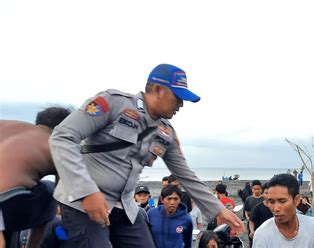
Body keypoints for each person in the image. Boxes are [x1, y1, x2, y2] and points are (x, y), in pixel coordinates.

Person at [49, 64, 243, 247]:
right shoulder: (113, 103)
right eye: (177, 97)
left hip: (125, 207)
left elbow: (186, 175)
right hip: (84, 203)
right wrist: (86, 191)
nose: (181, 104)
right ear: (158, 90)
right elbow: (62, 136)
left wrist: (219, 210)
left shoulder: (166, 133)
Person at [0, 107, 71, 248]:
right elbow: (62, 195)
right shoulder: (59, 145)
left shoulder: (7, 126)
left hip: (6, 199)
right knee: (51, 191)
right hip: (6, 199)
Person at [253, 174, 314, 248]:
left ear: (296, 200)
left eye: (282, 201)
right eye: (271, 202)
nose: (276, 208)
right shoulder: (262, 235)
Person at [244, 180, 263, 247]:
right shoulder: (249, 199)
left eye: (258, 189)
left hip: (262, 222)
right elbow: (246, 210)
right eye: (255, 189)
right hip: (251, 223)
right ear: (252, 190)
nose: (256, 190)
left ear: (261, 189)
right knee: (252, 241)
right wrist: (247, 217)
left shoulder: (264, 198)